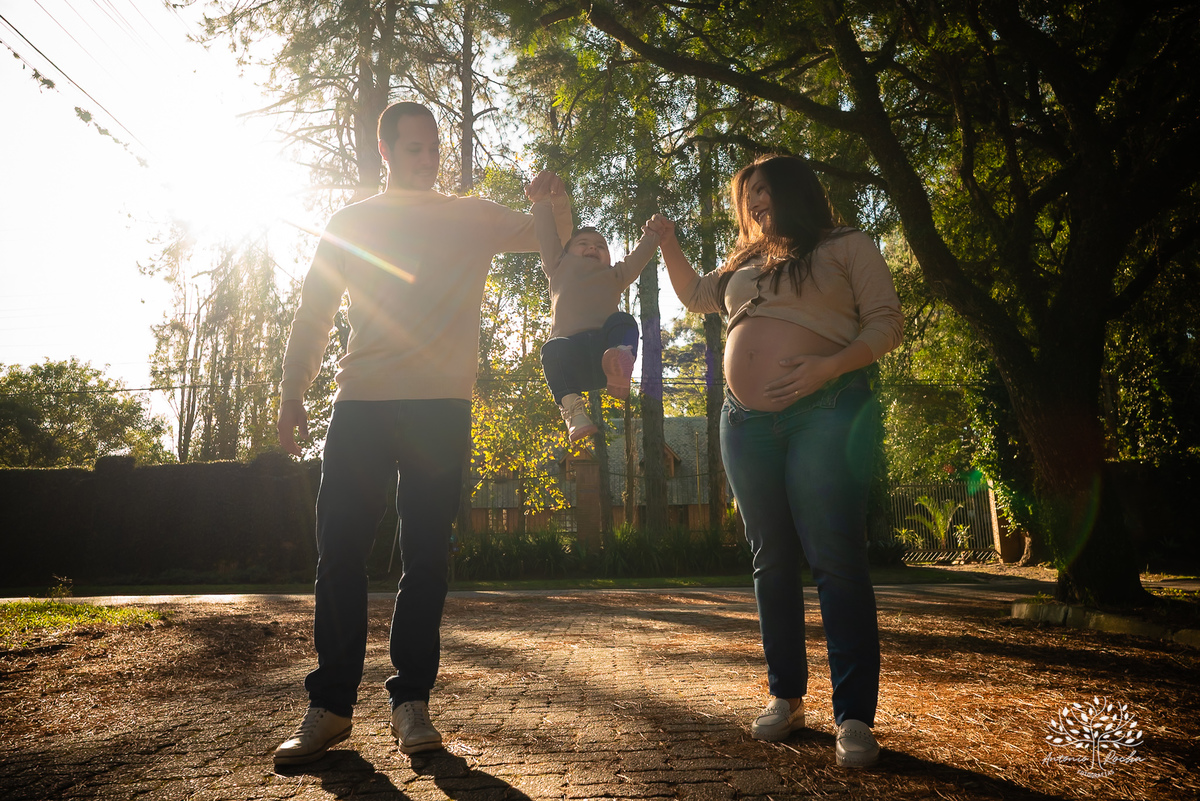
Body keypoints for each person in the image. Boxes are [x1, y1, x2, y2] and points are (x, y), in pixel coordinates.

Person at [272, 101, 573, 766]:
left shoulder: (470, 215)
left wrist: (555, 198)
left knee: (427, 558)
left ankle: (412, 702)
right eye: (414, 148)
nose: (428, 158)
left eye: (434, 147)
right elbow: (314, 313)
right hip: (363, 403)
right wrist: (294, 390)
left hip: (441, 406)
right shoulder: (351, 222)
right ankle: (330, 707)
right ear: (385, 153)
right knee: (339, 551)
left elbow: (550, 239)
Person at [648, 154, 902, 768]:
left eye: (762, 190)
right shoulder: (742, 263)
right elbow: (691, 296)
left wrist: (825, 368)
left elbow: (887, 325)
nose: (753, 202)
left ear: (793, 191)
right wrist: (667, 242)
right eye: (746, 195)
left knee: (835, 557)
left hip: (828, 408)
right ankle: (786, 696)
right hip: (745, 422)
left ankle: (854, 718)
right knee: (771, 559)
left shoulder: (847, 245)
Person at [528, 188, 660, 440]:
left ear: (609, 256)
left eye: (601, 246)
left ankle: (621, 361)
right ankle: (574, 411)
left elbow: (638, 257)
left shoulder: (614, 274)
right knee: (552, 349)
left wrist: (653, 235)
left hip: (604, 356)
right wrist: (541, 202)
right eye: (583, 244)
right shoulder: (558, 264)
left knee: (623, 321)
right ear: (567, 251)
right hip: (571, 360)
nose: (593, 247)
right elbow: (546, 236)